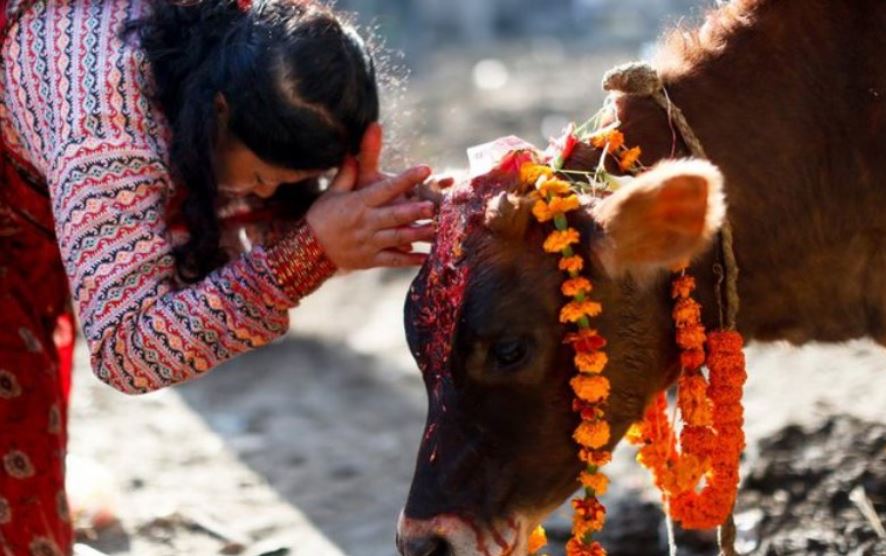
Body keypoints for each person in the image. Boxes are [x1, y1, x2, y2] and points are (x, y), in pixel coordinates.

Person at [0, 0, 438, 552]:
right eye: (261, 177)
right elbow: (126, 347)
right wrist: (306, 257)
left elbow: (221, 204)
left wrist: (353, 206)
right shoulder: (106, 136)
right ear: (220, 111)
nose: (263, 198)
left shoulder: (241, 40)